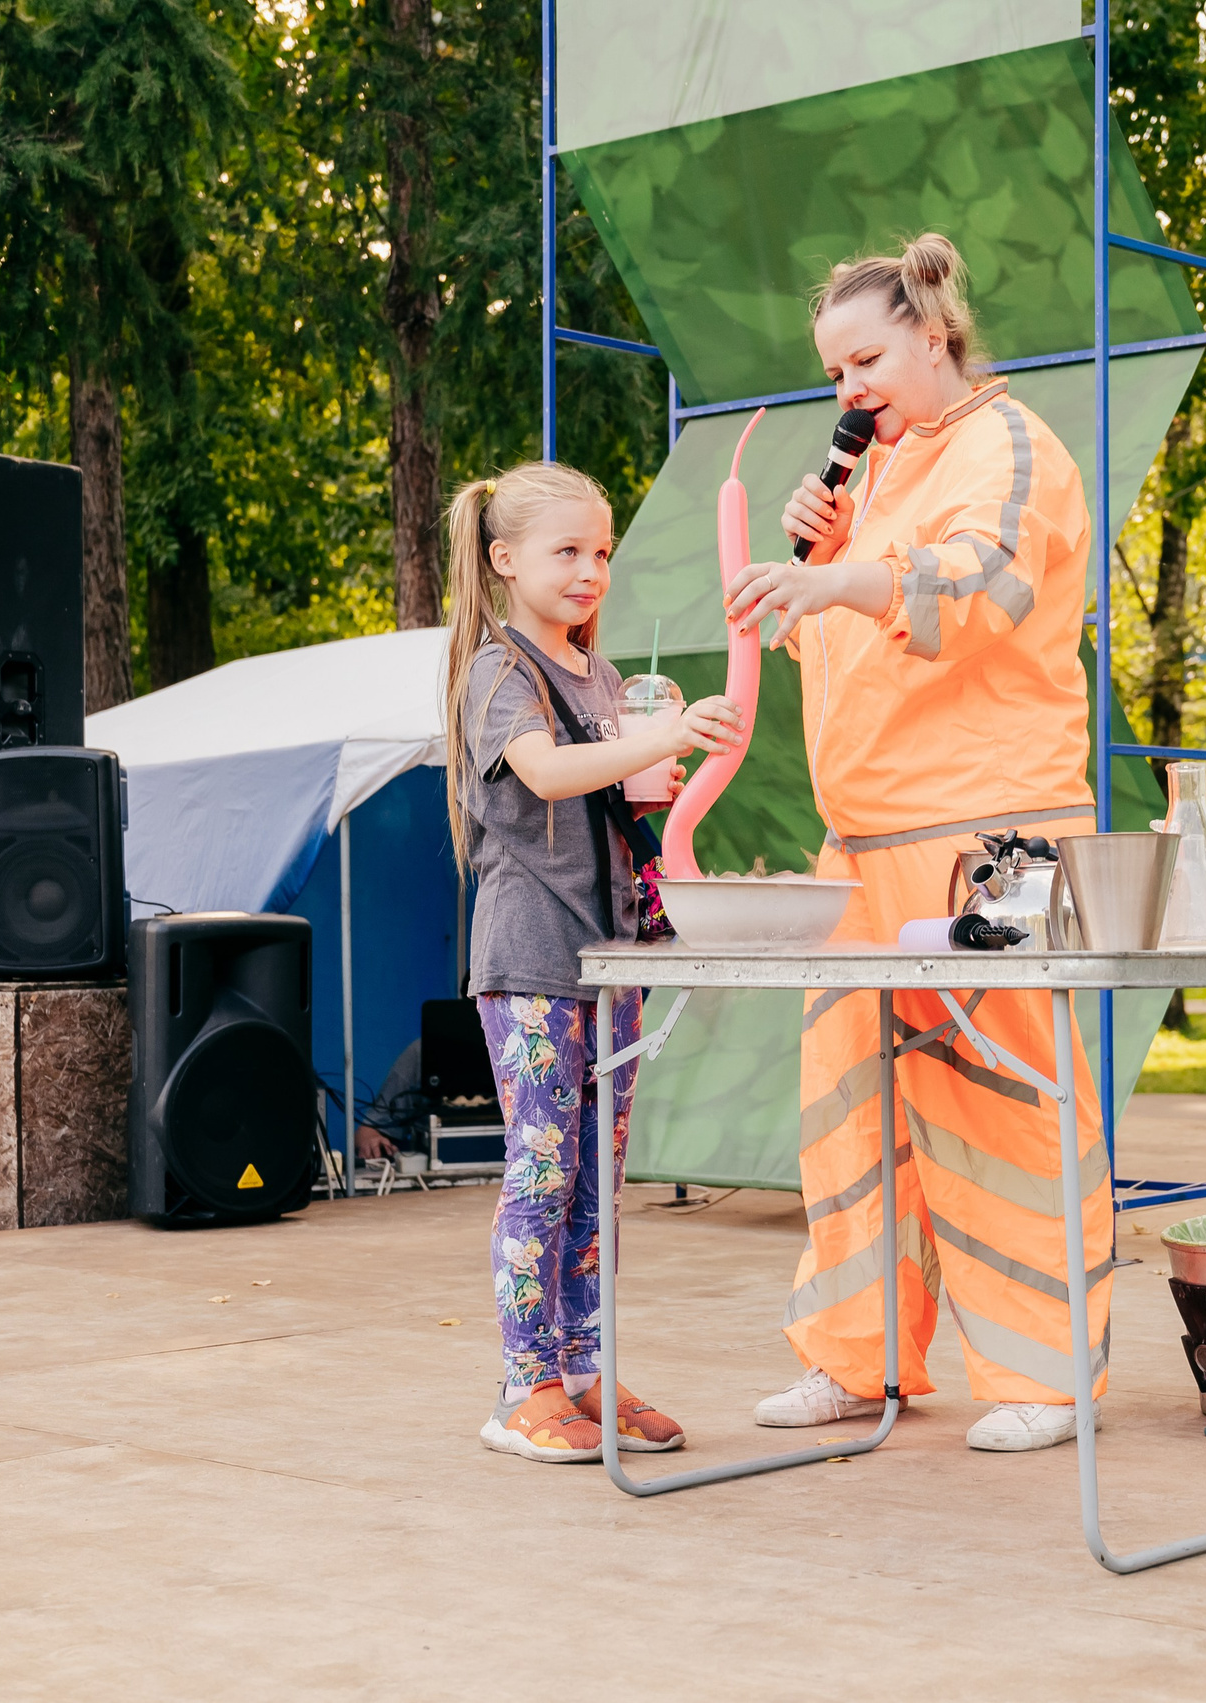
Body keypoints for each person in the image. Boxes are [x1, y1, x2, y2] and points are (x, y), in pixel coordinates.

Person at [723, 232, 1112, 1453]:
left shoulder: (1012, 445)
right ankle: (858, 1359)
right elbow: (839, 639)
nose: (848, 389)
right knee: (850, 1110)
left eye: (865, 358)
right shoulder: (874, 475)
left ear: (932, 335)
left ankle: (1045, 1373)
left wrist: (846, 580)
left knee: (1002, 1094)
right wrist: (819, 566)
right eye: (834, 371)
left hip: (995, 833)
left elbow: (980, 585)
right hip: (864, 840)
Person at [445, 460, 745, 1463]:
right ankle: (521, 1382)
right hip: (532, 956)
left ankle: (583, 1367)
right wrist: (652, 737)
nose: (590, 571)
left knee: (594, 1179)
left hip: (611, 957)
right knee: (540, 1166)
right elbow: (541, 769)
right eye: (566, 550)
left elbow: (599, 792)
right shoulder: (500, 670)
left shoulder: (602, 676)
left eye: (602, 551)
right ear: (503, 559)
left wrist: (654, 771)